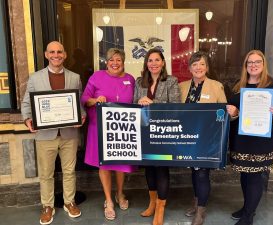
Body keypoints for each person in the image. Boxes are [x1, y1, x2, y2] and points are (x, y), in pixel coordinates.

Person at [21, 41, 86, 225]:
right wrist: (27, 119)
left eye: (59, 52)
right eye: (52, 52)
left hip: (69, 134)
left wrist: (81, 115)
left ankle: (69, 202)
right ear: (46, 55)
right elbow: (27, 103)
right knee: (46, 173)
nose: (56, 55)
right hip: (45, 135)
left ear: (64, 55)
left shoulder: (74, 77)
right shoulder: (35, 78)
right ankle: (47, 206)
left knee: (69, 171)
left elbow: (79, 103)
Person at [226, 50, 273, 225]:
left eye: (257, 62)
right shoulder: (239, 86)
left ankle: (248, 216)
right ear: (245, 66)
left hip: (260, 142)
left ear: (263, 65)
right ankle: (247, 208)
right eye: (249, 62)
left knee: (254, 177)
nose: (253, 65)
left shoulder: (272, 85)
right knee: (244, 176)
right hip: (240, 140)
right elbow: (233, 113)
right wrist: (233, 112)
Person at [81, 48, 137, 221]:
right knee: (104, 164)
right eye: (111, 59)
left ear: (123, 62)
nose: (115, 63)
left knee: (120, 163)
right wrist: (96, 100)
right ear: (106, 61)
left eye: (118, 60)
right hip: (100, 128)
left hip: (123, 130)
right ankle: (108, 200)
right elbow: (85, 98)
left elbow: (135, 102)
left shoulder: (130, 79)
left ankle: (120, 194)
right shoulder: (97, 76)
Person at [179, 51, 227, 225]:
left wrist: (231, 113)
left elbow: (224, 113)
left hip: (207, 139)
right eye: (194, 64)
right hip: (188, 138)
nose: (198, 67)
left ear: (207, 67)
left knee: (202, 174)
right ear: (190, 68)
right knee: (194, 171)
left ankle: (201, 212)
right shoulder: (182, 86)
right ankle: (197, 201)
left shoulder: (216, 86)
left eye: (202, 64)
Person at [134, 48, 181, 225]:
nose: (153, 63)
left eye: (157, 60)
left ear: (163, 63)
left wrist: (153, 103)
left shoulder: (171, 81)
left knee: (161, 168)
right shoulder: (139, 82)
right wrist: (139, 102)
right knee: (149, 168)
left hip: (163, 132)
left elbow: (176, 106)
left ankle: (161, 208)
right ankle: (152, 203)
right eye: (150, 60)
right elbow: (132, 105)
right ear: (146, 63)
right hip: (144, 132)